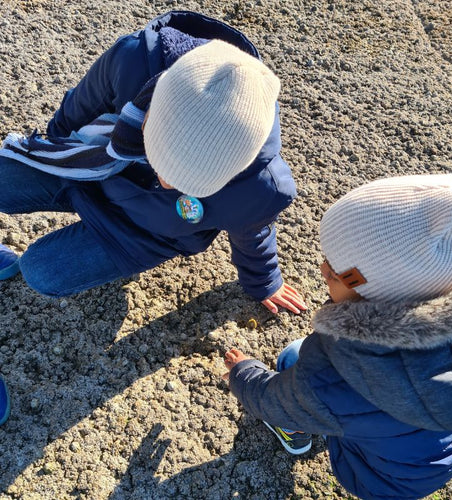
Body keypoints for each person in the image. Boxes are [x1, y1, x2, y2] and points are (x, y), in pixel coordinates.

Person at [0, 11, 306, 315]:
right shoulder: (133, 59)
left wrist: (265, 281)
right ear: (150, 113)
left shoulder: (263, 187)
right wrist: (53, 159)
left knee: (39, 271)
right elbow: (76, 111)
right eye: (159, 160)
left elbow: (252, 230)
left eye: (187, 184)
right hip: (88, 167)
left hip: (140, 233)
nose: (165, 183)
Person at [224, 172, 452, 500]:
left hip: (371, 477)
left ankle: (297, 435)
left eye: (337, 271)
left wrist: (242, 374)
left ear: (385, 293)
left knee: (292, 358)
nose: (323, 269)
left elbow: (275, 400)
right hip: (439, 459)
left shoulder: (339, 370)